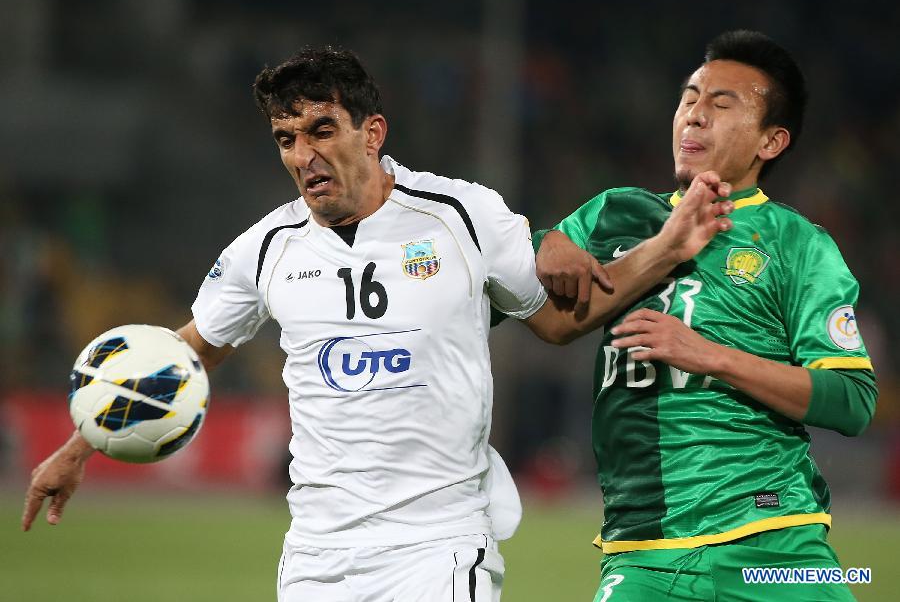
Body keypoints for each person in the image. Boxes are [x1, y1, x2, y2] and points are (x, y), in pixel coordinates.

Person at [22, 47, 733, 602]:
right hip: (316, 554)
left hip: (439, 543)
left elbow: (554, 320)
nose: (303, 155)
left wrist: (667, 247)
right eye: (285, 137)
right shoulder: (265, 248)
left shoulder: (462, 215)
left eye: (321, 130)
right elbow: (186, 354)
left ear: (372, 133)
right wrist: (80, 444)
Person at [536, 30, 877, 601]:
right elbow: (537, 312)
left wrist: (708, 356)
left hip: (775, 544)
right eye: (689, 98)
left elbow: (852, 400)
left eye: (722, 105)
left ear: (771, 141)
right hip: (643, 553)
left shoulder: (799, 245)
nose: (694, 116)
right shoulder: (615, 215)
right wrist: (542, 241)